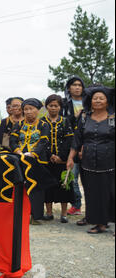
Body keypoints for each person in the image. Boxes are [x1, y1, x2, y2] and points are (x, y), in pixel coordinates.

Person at [67, 85, 115, 234]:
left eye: (101, 98)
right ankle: (99, 223)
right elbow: (77, 139)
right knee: (93, 193)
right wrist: (70, 158)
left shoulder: (113, 117)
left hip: (110, 162)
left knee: (112, 193)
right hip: (88, 162)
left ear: (107, 101)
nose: (98, 101)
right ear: (90, 101)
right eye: (95, 98)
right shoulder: (84, 116)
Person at [10, 98, 50, 225]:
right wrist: (17, 151)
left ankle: (36, 216)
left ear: (37, 110)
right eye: (26, 109)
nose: (28, 112)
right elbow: (12, 140)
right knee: (21, 187)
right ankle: (21, 214)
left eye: (31, 109)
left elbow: (43, 142)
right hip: (20, 159)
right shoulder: (19, 124)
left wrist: (33, 154)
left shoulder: (43, 125)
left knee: (36, 188)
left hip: (37, 161)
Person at [42, 94, 74, 223]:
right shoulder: (42, 122)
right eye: (51, 105)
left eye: (56, 106)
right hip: (46, 159)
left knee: (64, 185)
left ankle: (64, 213)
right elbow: (41, 141)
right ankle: (49, 213)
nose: (53, 108)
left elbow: (69, 140)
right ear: (47, 106)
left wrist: (60, 156)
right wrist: (50, 155)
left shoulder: (65, 121)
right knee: (48, 186)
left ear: (60, 107)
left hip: (62, 160)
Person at [62, 76, 85, 216]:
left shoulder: (89, 102)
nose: (77, 87)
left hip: (88, 143)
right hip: (72, 143)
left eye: (80, 85)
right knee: (73, 177)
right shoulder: (65, 104)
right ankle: (76, 204)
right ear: (69, 88)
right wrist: (75, 117)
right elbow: (63, 122)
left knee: (89, 178)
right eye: (74, 85)